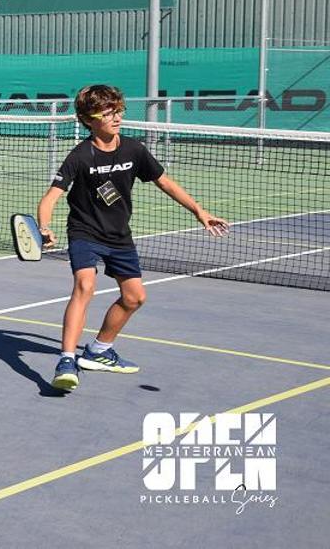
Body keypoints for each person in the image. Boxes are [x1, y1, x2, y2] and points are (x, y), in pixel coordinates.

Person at [37, 84, 228, 392]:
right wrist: (44, 227)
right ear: (89, 119)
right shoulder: (80, 155)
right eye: (108, 113)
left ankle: (98, 350)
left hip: (119, 236)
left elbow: (164, 182)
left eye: (119, 111)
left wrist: (199, 211)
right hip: (85, 231)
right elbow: (50, 198)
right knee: (85, 286)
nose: (117, 117)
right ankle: (67, 360)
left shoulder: (133, 149)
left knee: (135, 297)